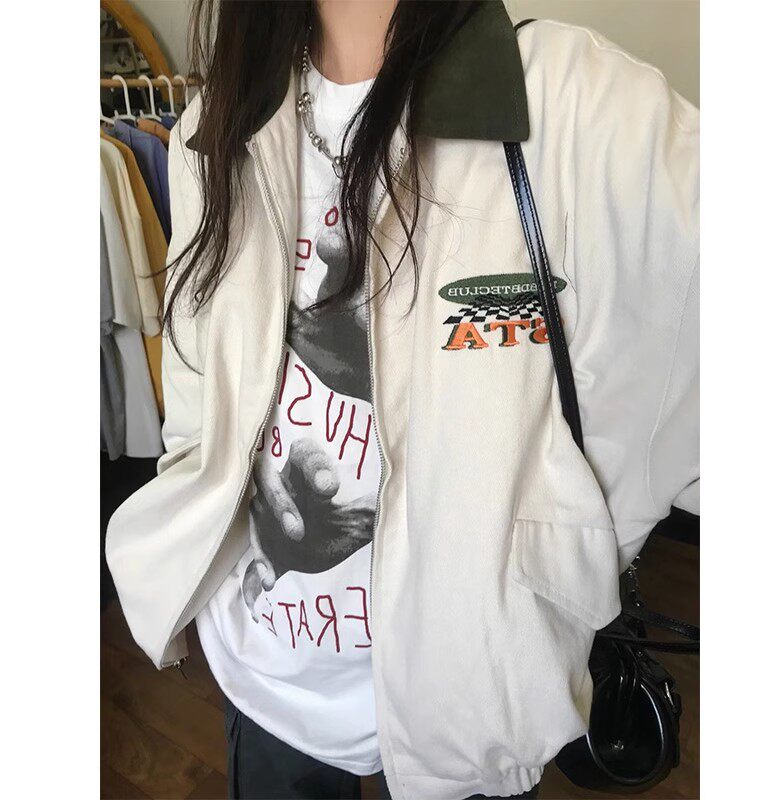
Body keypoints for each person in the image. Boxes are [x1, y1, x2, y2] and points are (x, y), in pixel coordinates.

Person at [106, 1, 699, 798]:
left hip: (471, 705)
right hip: (263, 672)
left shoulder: (575, 102)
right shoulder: (216, 123)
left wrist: (574, 540)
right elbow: (195, 374)